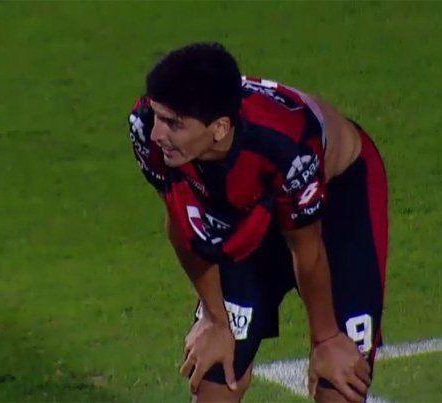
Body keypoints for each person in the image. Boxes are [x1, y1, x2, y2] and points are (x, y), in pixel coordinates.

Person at [127, 42, 387, 403]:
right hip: (244, 206)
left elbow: (307, 248)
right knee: (216, 375)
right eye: (157, 116)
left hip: (335, 203)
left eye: (173, 124)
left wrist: (326, 339)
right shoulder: (146, 127)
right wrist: (215, 319)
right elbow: (183, 224)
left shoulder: (286, 145)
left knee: (341, 383)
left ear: (219, 128)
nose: (158, 133)